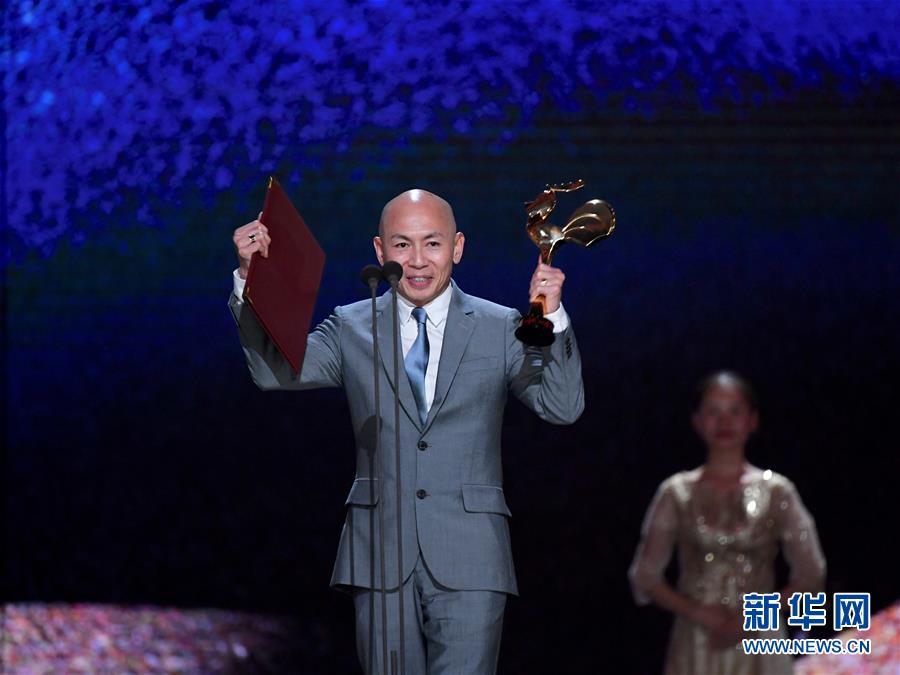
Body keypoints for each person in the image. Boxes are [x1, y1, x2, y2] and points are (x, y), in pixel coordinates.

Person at [229, 189, 584, 674]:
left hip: (471, 554)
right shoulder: (351, 325)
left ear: (457, 247)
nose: (417, 260)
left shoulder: (502, 326)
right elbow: (273, 373)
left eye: (432, 243)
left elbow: (562, 407)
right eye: (402, 244)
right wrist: (251, 279)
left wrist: (554, 317)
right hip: (380, 552)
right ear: (380, 251)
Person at [628, 371, 826, 675]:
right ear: (697, 421)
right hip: (697, 638)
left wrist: (753, 617)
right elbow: (645, 575)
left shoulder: (777, 491)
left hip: (759, 637)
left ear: (752, 420)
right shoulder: (676, 492)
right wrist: (698, 612)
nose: (724, 422)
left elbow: (811, 574)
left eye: (734, 411)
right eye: (713, 412)